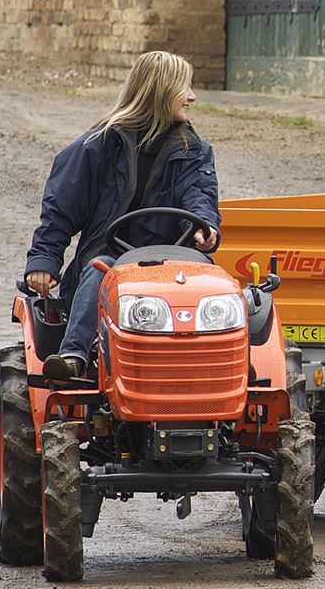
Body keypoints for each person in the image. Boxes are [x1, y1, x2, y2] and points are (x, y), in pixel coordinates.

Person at [24, 51, 221, 381]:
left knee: (215, 287)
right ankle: (74, 356)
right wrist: (44, 260)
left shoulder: (194, 150)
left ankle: (222, 370)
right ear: (160, 91)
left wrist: (204, 225)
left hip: (172, 263)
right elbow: (60, 209)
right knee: (99, 270)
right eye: (184, 87)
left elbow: (199, 195)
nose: (192, 96)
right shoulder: (97, 146)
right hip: (111, 259)